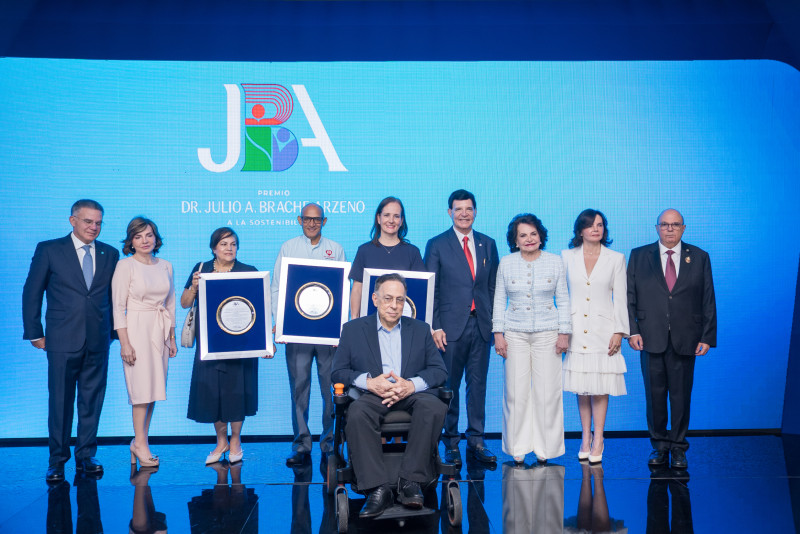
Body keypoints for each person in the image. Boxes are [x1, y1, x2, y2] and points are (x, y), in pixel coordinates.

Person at [331, 273, 448, 519]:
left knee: (434, 407)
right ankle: (377, 489)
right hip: (374, 392)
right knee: (357, 413)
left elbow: (439, 371)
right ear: (375, 299)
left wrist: (411, 385)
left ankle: (410, 482)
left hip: (410, 391)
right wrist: (369, 382)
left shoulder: (420, 329)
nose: (394, 305)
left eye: (399, 299)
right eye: (387, 299)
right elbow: (338, 371)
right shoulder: (353, 330)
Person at [22, 199, 120, 483]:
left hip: (99, 340)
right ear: (72, 221)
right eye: (88, 221)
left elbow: (113, 297)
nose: (94, 227)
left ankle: (86, 455)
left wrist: (114, 332)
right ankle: (57, 460)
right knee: (61, 401)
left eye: (98, 222)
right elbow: (32, 292)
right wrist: (35, 332)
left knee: (92, 400)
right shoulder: (50, 249)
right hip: (61, 338)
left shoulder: (110, 253)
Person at [627, 209, 716, 470]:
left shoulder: (699, 257)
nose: (669, 229)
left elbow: (708, 298)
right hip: (649, 337)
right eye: (664, 224)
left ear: (684, 228)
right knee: (654, 397)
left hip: (686, 338)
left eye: (675, 224)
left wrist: (707, 336)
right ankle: (659, 446)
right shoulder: (639, 255)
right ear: (656, 228)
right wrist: (633, 331)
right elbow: (629, 297)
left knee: (680, 396)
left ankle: (678, 447)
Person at [423, 189, 499, 466]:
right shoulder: (437, 244)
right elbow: (430, 289)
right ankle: (451, 442)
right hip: (449, 329)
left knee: (478, 386)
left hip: (481, 326)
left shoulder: (488, 244)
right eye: (458, 209)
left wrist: (494, 324)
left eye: (469, 208)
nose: (464, 213)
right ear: (450, 213)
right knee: (449, 387)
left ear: (475, 211)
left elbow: (492, 288)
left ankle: (477, 440)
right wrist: (435, 326)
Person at [271, 203, 346, 467]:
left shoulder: (335, 249)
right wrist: (280, 324)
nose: (312, 223)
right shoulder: (288, 247)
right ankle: (302, 445)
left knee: (330, 390)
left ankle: (329, 443)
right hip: (297, 332)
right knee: (299, 388)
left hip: (327, 335)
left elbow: (340, 292)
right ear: (299, 219)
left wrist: (340, 328)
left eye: (317, 219)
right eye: (307, 219)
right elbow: (277, 287)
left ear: (324, 221)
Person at [493, 213, 571, 465]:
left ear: (541, 236)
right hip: (514, 334)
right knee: (515, 392)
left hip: (548, 334)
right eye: (523, 235)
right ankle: (518, 445)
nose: (529, 239)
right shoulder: (506, 263)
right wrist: (498, 334)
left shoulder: (555, 261)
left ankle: (545, 446)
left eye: (533, 234)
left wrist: (564, 333)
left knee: (548, 392)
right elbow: (498, 301)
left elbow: (564, 298)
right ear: (515, 240)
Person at [181, 227, 261, 465]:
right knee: (213, 394)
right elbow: (185, 303)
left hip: (242, 344)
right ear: (214, 248)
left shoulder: (249, 271)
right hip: (210, 344)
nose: (229, 248)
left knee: (236, 395)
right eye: (224, 244)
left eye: (233, 244)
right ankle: (221, 441)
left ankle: (235, 440)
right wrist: (195, 286)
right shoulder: (201, 269)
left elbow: (260, 308)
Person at [561, 209, 629, 464]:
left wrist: (619, 331)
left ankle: (599, 438)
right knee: (583, 387)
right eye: (590, 225)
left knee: (600, 387)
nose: (595, 229)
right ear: (580, 230)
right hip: (576, 329)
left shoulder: (616, 258)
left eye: (600, 225)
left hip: (604, 330)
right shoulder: (566, 257)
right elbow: (562, 295)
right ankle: (585, 437)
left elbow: (621, 298)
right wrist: (563, 329)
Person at [112, 217, 177, 467]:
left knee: (151, 392)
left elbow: (170, 304)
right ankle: (139, 443)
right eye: (138, 237)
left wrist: (171, 338)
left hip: (159, 331)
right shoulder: (125, 266)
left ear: (155, 237)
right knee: (140, 392)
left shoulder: (166, 266)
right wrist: (124, 343)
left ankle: (140, 441)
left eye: (149, 235)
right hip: (136, 330)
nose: (144, 241)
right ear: (131, 241)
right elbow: (118, 307)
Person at [348, 197, 426, 318]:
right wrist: (354, 319)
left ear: (401, 221)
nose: (391, 220)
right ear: (378, 218)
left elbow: (420, 291)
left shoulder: (413, 252)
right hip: (370, 322)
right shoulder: (364, 250)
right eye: (386, 215)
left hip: (403, 322)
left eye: (396, 216)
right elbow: (357, 289)